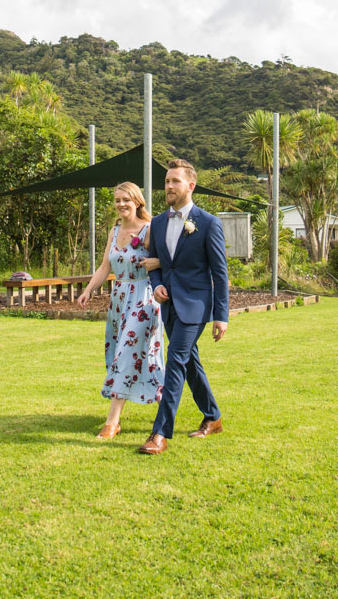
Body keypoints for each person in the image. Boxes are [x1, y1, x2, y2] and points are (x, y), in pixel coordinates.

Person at [138, 159, 228, 455]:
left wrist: (221, 316)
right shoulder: (159, 222)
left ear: (191, 186)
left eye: (174, 181)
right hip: (169, 303)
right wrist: (157, 283)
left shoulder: (209, 223)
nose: (168, 187)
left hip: (196, 305)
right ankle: (212, 417)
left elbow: (219, 272)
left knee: (175, 360)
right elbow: (154, 261)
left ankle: (159, 433)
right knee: (190, 363)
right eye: (166, 182)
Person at [77, 182, 165, 439]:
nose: (121, 204)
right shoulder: (114, 230)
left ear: (137, 201)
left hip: (144, 299)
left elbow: (169, 261)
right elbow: (105, 267)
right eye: (117, 200)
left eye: (126, 199)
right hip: (119, 299)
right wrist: (88, 290)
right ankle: (166, 407)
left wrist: (157, 261)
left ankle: (112, 421)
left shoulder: (150, 230)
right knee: (132, 354)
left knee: (126, 353)